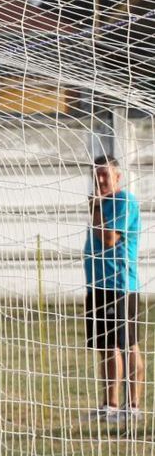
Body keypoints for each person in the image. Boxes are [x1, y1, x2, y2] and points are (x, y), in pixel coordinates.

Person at [85, 155, 143, 420]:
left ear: (118, 176)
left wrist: (96, 208)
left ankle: (132, 407)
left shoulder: (123, 201)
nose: (100, 179)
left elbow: (109, 239)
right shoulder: (101, 203)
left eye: (105, 174)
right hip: (98, 286)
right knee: (106, 346)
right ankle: (109, 405)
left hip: (120, 285)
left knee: (127, 344)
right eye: (96, 174)